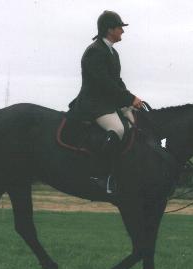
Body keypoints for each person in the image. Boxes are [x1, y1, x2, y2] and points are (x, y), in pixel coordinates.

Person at [68, 10, 144, 195]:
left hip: (107, 102)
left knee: (137, 122)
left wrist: (131, 100)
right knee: (118, 129)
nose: (122, 32)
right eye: (120, 28)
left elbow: (117, 82)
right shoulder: (95, 51)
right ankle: (101, 175)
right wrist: (128, 99)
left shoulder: (112, 52)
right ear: (110, 29)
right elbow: (104, 84)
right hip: (94, 104)